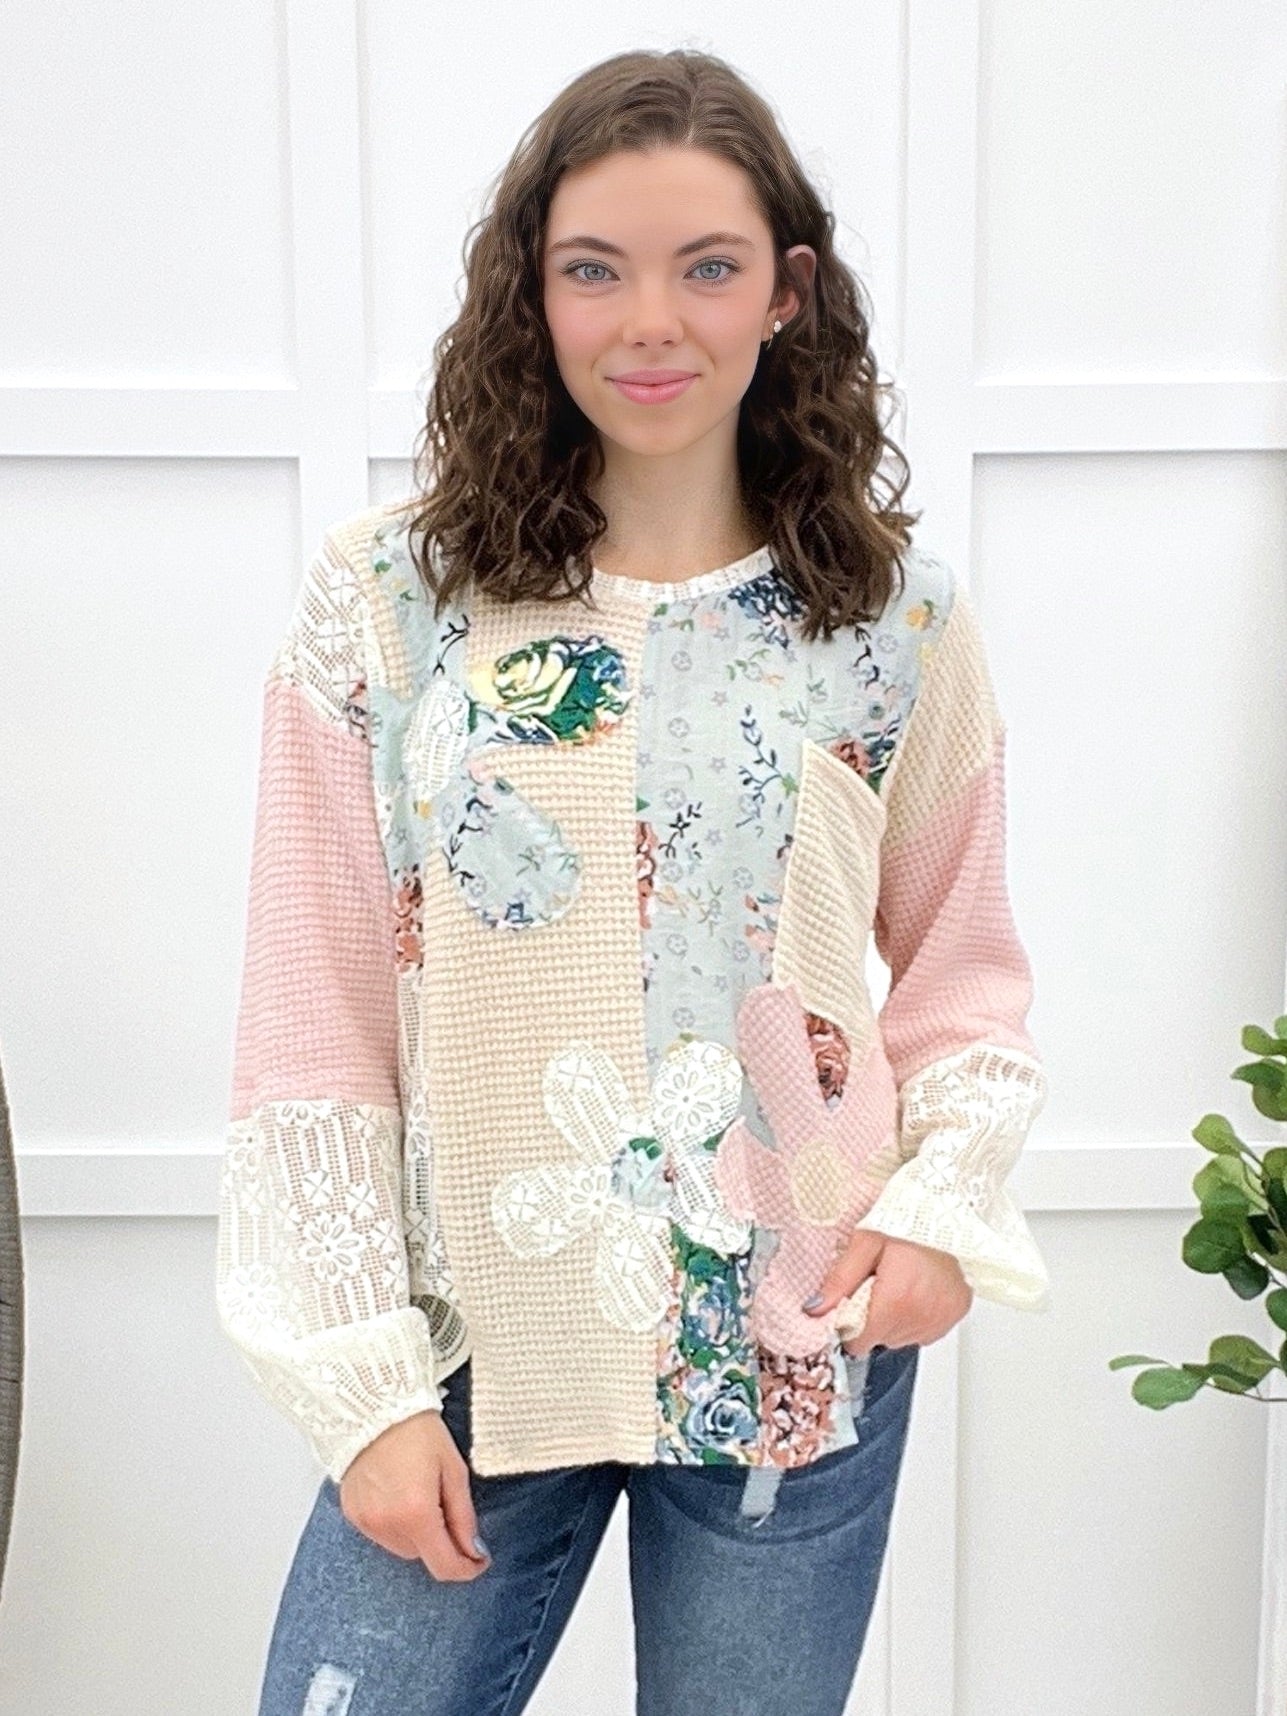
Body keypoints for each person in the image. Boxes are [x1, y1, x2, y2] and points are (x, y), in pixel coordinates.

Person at [215, 45, 1051, 1716]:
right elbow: (313, 1019)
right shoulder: (388, 603)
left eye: (708, 268)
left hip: (792, 1332)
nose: (650, 322)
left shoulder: (896, 622)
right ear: (531, 294)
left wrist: (937, 1215)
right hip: (469, 1341)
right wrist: (361, 1386)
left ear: (787, 293)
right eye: (594, 270)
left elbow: (964, 978)